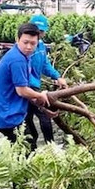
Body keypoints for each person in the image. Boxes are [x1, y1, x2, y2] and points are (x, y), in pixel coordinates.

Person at [26, 15, 68, 145]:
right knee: (33, 120)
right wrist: (35, 92)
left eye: (41, 31)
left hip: (34, 87)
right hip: (25, 89)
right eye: (37, 30)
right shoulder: (26, 48)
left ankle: (50, 146)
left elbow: (45, 64)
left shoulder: (41, 46)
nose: (39, 33)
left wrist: (57, 77)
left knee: (43, 118)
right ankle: (34, 150)